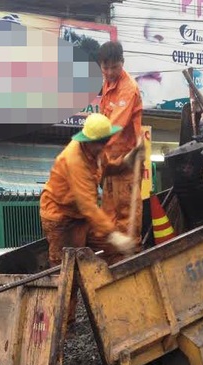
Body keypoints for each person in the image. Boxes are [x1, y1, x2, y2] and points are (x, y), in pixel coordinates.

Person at [40, 112, 139, 268]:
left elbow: (107, 168)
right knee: (66, 266)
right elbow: (87, 206)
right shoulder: (75, 161)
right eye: (101, 142)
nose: (104, 146)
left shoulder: (97, 152)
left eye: (106, 140)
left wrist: (126, 162)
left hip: (81, 216)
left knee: (109, 248)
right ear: (88, 141)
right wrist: (113, 234)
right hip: (61, 216)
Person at [95, 40, 145, 257]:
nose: (109, 72)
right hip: (111, 162)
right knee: (108, 216)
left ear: (122, 63)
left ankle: (129, 262)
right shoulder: (107, 84)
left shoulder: (128, 89)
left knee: (127, 217)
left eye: (114, 67)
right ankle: (111, 261)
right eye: (105, 67)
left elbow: (113, 127)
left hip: (127, 161)